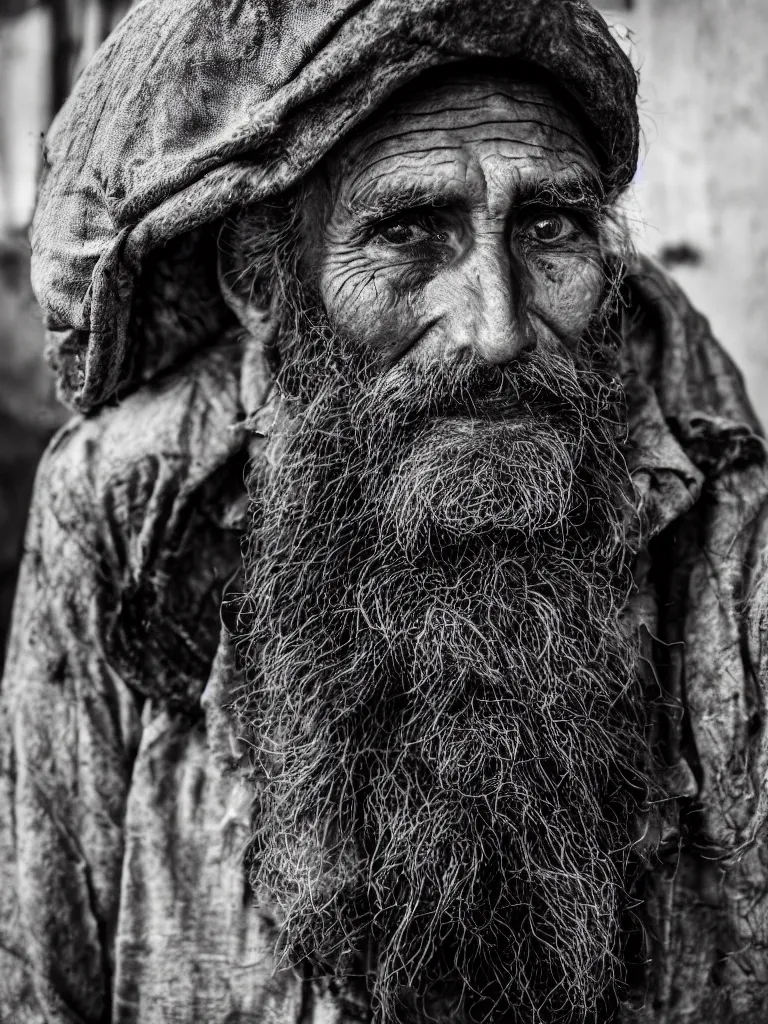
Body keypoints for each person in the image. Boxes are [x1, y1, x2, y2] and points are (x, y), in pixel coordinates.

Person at [2, 0, 768, 1021]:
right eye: (409, 231)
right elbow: (39, 964)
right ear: (262, 285)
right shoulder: (128, 501)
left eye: (551, 229)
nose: (496, 327)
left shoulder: (731, 525)